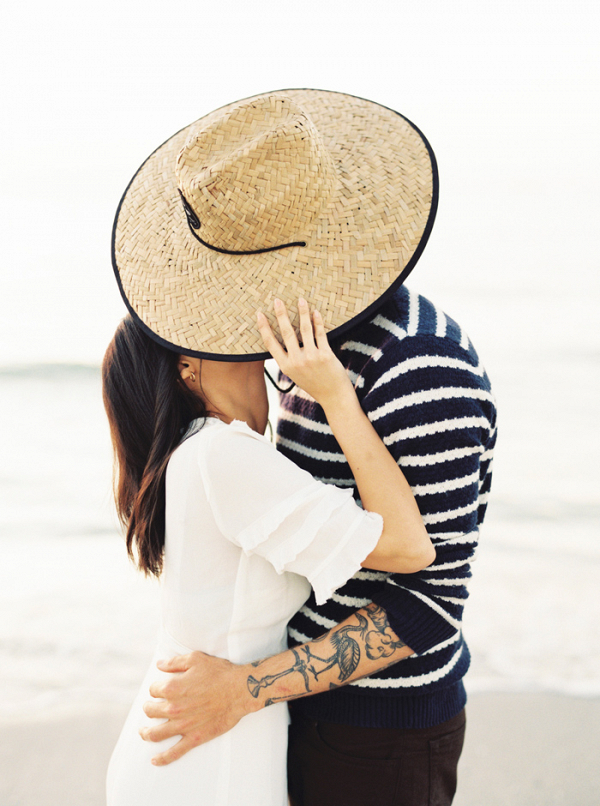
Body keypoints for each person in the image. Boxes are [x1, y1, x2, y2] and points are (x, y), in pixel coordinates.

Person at [131, 92, 497, 806]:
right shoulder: (302, 347)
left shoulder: (419, 366)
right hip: (302, 713)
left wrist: (245, 688)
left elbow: (430, 602)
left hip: (379, 732)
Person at [103, 301, 434, 806]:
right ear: (187, 367)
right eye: (225, 332)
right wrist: (336, 395)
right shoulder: (222, 454)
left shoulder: (200, 452)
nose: (252, 342)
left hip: (200, 734)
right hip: (207, 759)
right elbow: (408, 548)